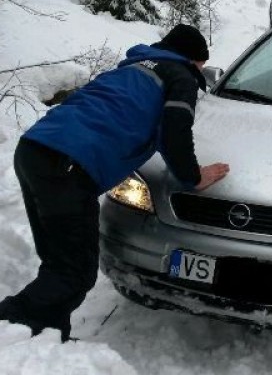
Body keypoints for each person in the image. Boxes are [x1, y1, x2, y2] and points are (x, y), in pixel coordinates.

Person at [0, 24, 229, 341]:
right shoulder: (181, 75)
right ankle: (11, 328)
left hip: (34, 150)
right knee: (74, 270)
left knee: (60, 261)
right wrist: (194, 177)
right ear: (194, 60)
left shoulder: (133, 68)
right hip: (67, 165)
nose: (201, 71)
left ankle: (47, 339)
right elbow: (175, 128)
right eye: (201, 65)